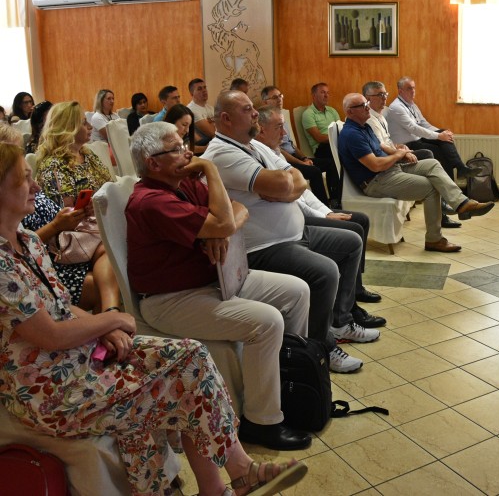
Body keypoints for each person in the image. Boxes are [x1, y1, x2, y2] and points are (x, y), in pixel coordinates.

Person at [0, 142, 308, 496]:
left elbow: (61, 305)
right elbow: (50, 334)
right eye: (24, 179)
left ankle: (223, 483)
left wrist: (104, 327)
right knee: (176, 386)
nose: (36, 186)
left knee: (191, 356)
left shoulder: (28, 241)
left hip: (76, 359)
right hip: (48, 390)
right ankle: (235, 477)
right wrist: (110, 321)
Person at [127, 121, 313, 451]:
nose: (188, 153)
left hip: (214, 280)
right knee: (267, 322)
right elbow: (226, 219)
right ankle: (262, 421)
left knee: (297, 291)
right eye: (176, 149)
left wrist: (219, 231)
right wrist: (211, 171)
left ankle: (288, 385)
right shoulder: (150, 200)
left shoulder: (184, 183)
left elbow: (236, 210)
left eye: (184, 144)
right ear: (153, 163)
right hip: (171, 299)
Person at [203, 91, 378, 374]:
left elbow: (296, 179)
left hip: (294, 232)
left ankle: (340, 321)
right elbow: (284, 184)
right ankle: (319, 349)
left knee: (350, 242)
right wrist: (282, 186)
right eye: (247, 110)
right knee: (325, 272)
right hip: (264, 247)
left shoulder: (253, 146)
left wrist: (282, 188)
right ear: (226, 118)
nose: (255, 114)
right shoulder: (222, 153)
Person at [254, 108, 384, 315]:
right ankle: (348, 305)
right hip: (294, 220)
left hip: (302, 211)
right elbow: (291, 199)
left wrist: (325, 211)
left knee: (360, 220)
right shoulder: (258, 154)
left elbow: (302, 191)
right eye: (279, 127)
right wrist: (324, 215)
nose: (285, 133)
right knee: (353, 228)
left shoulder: (273, 151)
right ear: (261, 130)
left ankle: (354, 289)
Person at [338, 93, 495, 252]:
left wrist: (402, 153)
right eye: (363, 106)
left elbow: (381, 146)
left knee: (432, 164)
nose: (368, 108)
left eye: (367, 103)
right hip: (376, 181)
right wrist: (399, 155)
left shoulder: (364, 126)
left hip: (389, 170)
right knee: (431, 188)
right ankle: (434, 240)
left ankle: (462, 203)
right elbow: (375, 165)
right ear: (350, 112)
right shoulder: (352, 134)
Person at [33, 102, 120, 313]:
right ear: (67, 128)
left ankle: (110, 316)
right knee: (109, 246)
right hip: (74, 234)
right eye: (82, 123)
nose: (89, 126)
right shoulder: (54, 165)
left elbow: (109, 184)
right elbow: (65, 213)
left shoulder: (87, 154)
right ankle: (111, 313)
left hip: (95, 222)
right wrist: (88, 208)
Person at [363, 80, 462, 229]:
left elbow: (387, 141)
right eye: (380, 95)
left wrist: (398, 146)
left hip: (400, 151)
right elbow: (381, 148)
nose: (384, 98)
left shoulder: (382, 115)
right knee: (430, 154)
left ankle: (457, 197)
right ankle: (450, 204)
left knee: (439, 151)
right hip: (390, 163)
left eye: (385, 94)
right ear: (367, 98)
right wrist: (401, 152)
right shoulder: (371, 118)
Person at [384, 76, 479, 181]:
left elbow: (424, 124)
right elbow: (413, 128)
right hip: (407, 145)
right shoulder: (396, 107)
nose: (413, 91)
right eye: (409, 88)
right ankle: (458, 173)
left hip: (417, 140)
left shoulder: (412, 105)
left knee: (444, 137)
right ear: (400, 91)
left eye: (414, 88)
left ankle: (459, 171)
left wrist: (443, 134)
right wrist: (439, 136)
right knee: (442, 152)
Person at [261, 85, 330, 206]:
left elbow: (292, 145)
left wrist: (304, 158)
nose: (279, 99)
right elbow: (279, 150)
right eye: (275, 97)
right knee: (314, 171)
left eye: (280, 96)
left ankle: (335, 200)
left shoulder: (281, 117)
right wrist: (301, 163)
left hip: (294, 156)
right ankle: (324, 206)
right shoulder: (266, 121)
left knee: (330, 164)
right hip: (283, 160)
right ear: (265, 102)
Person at [300, 82, 341, 207]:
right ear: (314, 96)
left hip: (335, 143)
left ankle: (345, 194)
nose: (326, 95)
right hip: (321, 148)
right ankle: (335, 198)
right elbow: (318, 138)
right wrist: (335, 138)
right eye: (323, 92)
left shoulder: (332, 111)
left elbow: (340, 129)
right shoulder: (308, 114)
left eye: (328, 93)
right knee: (334, 159)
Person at [187, 78, 216, 147]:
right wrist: (213, 121)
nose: (204, 91)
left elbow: (222, 126)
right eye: (199, 89)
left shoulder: (210, 107)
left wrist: (209, 121)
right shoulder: (191, 109)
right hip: (203, 146)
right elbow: (212, 132)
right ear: (192, 93)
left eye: (205, 87)